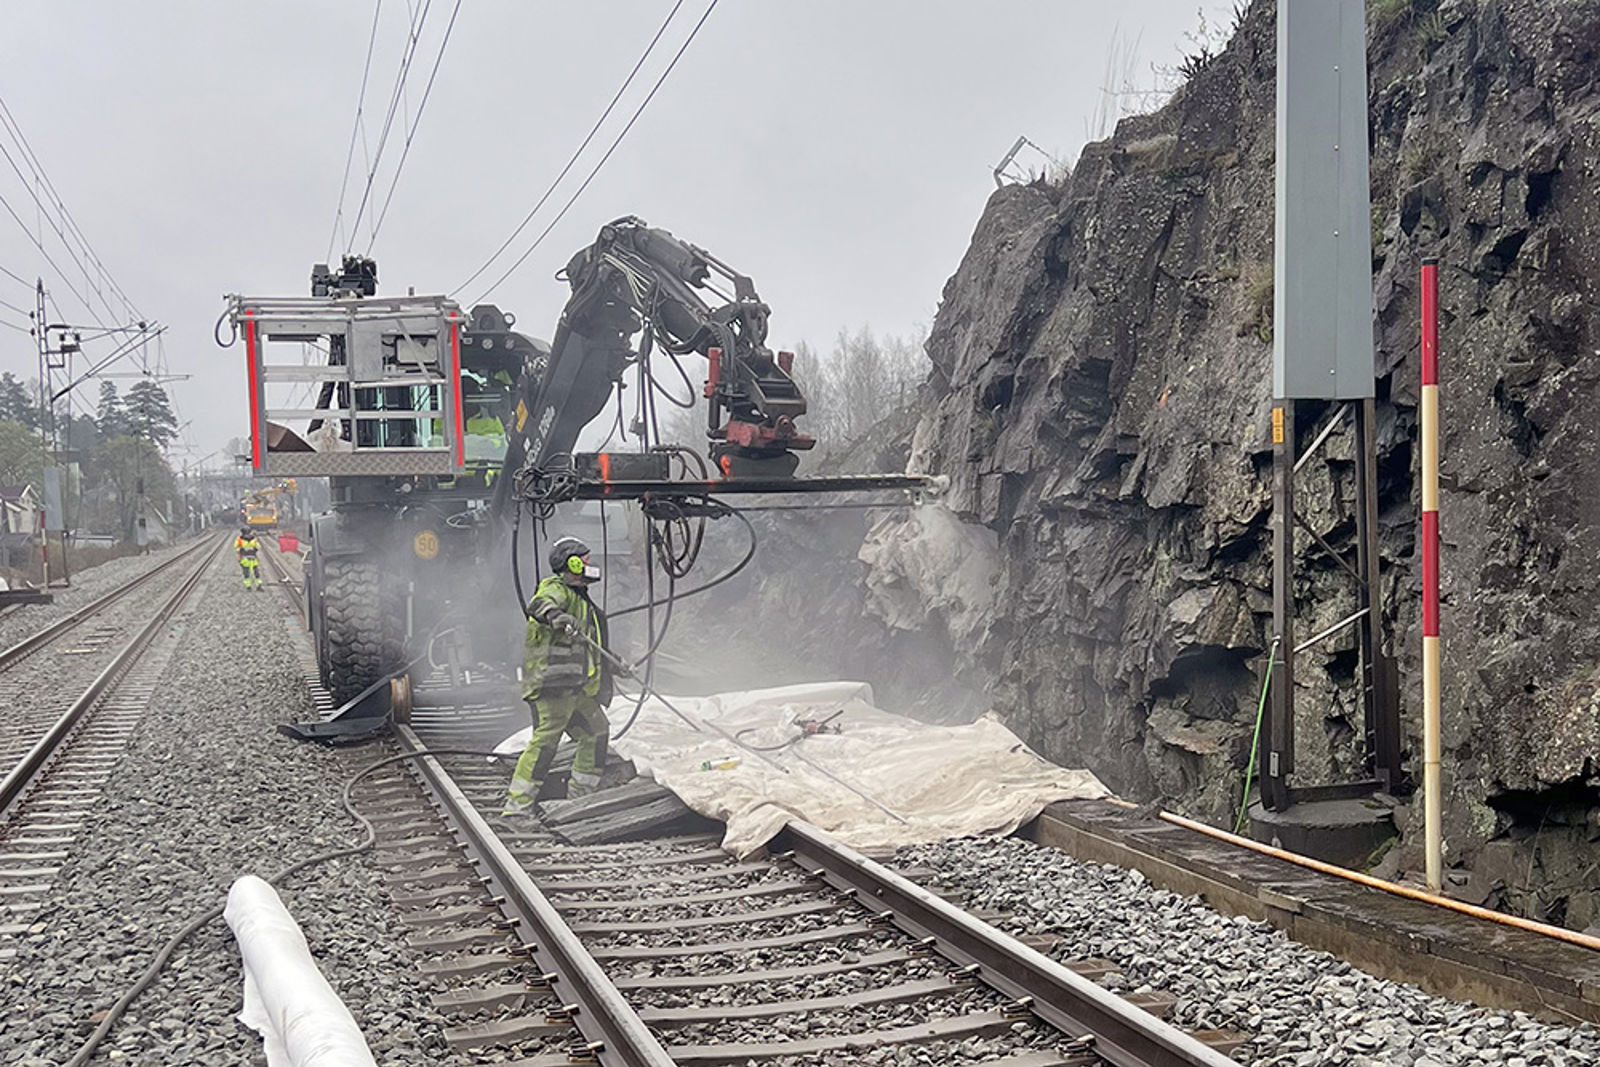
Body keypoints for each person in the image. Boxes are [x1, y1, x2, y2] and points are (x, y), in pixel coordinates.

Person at [502, 535, 613, 818]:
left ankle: (580, 799)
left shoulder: (581, 600)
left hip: (574, 689)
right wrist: (555, 615)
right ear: (572, 563)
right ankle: (517, 809)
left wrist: (617, 664)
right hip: (552, 686)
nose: (591, 564)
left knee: (596, 731)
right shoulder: (556, 589)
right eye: (585, 559)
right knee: (545, 743)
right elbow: (538, 604)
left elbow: (591, 644)